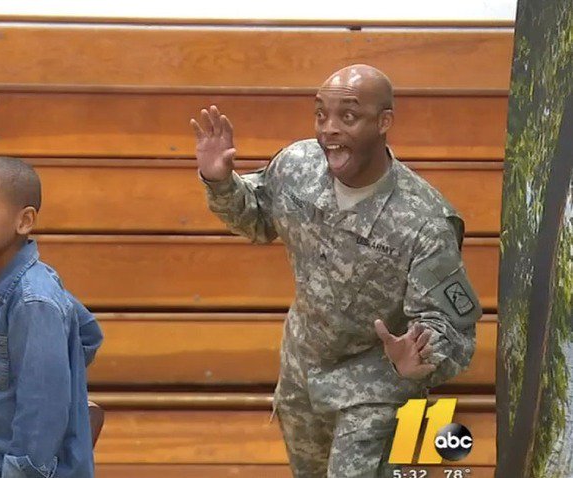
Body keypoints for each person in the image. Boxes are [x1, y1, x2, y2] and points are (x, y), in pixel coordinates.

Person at [190, 64, 482, 477]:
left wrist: (420, 352)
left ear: (384, 122)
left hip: (376, 387)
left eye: (348, 116)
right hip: (302, 374)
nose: (329, 128)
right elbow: (257, 218)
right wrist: (219, 181)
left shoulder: (425, 221)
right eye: (320, 114)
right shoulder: (297, 166)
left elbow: (452, 327)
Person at [0, 156, 103, 478]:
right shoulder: (3, 285)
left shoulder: (34, 299)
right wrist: (69, 386)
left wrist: (64, 395)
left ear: (24, 221)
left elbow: (42, 408)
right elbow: (87, 333)